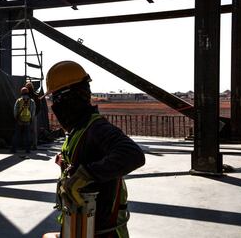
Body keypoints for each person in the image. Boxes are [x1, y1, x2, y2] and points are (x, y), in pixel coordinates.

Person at [43, 61, 145, 238]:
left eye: (56, 98)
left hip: (102, 231)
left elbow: (133, 154)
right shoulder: (78, 131)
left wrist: (85, 175)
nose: (55, 105)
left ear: (71, 97)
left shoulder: (96, 128)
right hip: (81, 226)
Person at [11, 86, 36, 155]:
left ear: (21, 93)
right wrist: (31, 119)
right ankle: (28, 149)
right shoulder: (31, 101)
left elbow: (15, 110)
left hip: (19, 120)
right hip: (27, 120)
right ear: (28, 92)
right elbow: (33, 111)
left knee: (16, 135)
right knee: (27, 135)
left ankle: (14, 149)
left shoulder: (19, 100)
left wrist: (16, 118)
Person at [25, 81, 41, 150]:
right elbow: (39, 106)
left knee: (28, 130)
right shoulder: (35, 95)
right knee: (34, 131)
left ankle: (28, 145)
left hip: (26, 115)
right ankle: (34, 145)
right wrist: (35, 113)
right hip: (33, 115)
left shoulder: (25, 96)